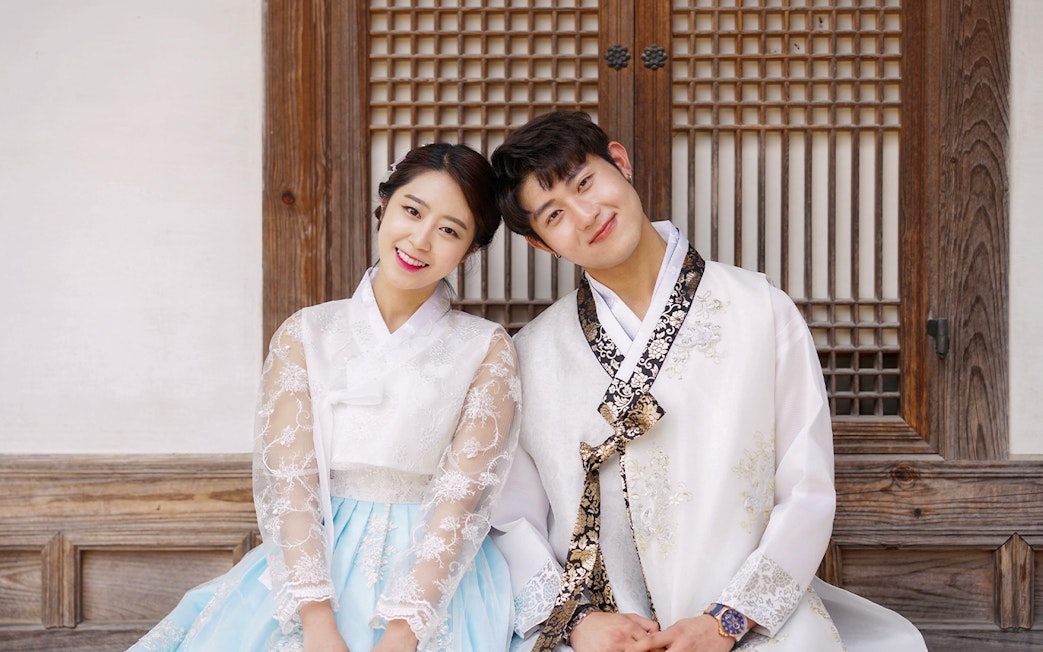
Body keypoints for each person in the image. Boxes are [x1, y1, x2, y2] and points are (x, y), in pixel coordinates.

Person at [488, 111, 927, 652]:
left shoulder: (759, 310)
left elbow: (807, 488)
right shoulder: (531, 354)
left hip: (750, 621)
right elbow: (513, 520)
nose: (585, 214)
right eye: (554, 214)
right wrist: (578, 624)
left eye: (586, 182)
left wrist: (727, 621)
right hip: (603, 632)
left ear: (620, 163)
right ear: (540, 243)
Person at [130, 143, 520, 652]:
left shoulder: (486, 348)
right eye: (412, 211)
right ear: (384, 207)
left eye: (449, 230)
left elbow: (462, 499)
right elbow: (290, 481)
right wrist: (315, 620)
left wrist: (406, 629)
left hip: (436, 572)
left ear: (468, 249)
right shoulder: (307, 333)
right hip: (315, 560)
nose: (421, 240)